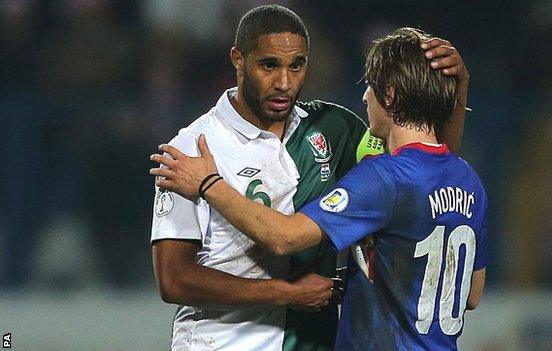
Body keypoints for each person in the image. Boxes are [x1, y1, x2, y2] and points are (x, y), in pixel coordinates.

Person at [150, 4, 470, 351]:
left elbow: (424, 176)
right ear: (238, 60)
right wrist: (283, 294)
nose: (284, 83)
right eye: (269, 65)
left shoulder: (334, 130)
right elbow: (174, 280)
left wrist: (458, 91)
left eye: (296, 65)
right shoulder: (195, 147)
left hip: (314, 342)